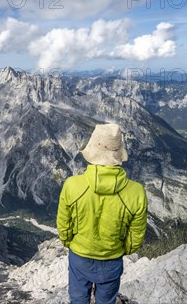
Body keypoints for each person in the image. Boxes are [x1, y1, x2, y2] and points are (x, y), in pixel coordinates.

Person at [57, 123, 148, 304]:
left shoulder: (72, 185)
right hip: (112, 259)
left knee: (78, 298)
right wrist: (125, 249)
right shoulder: (136, 191)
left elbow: (63, 223)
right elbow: (136, 232)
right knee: (106, 301)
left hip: (80, 256)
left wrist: (70, 242)